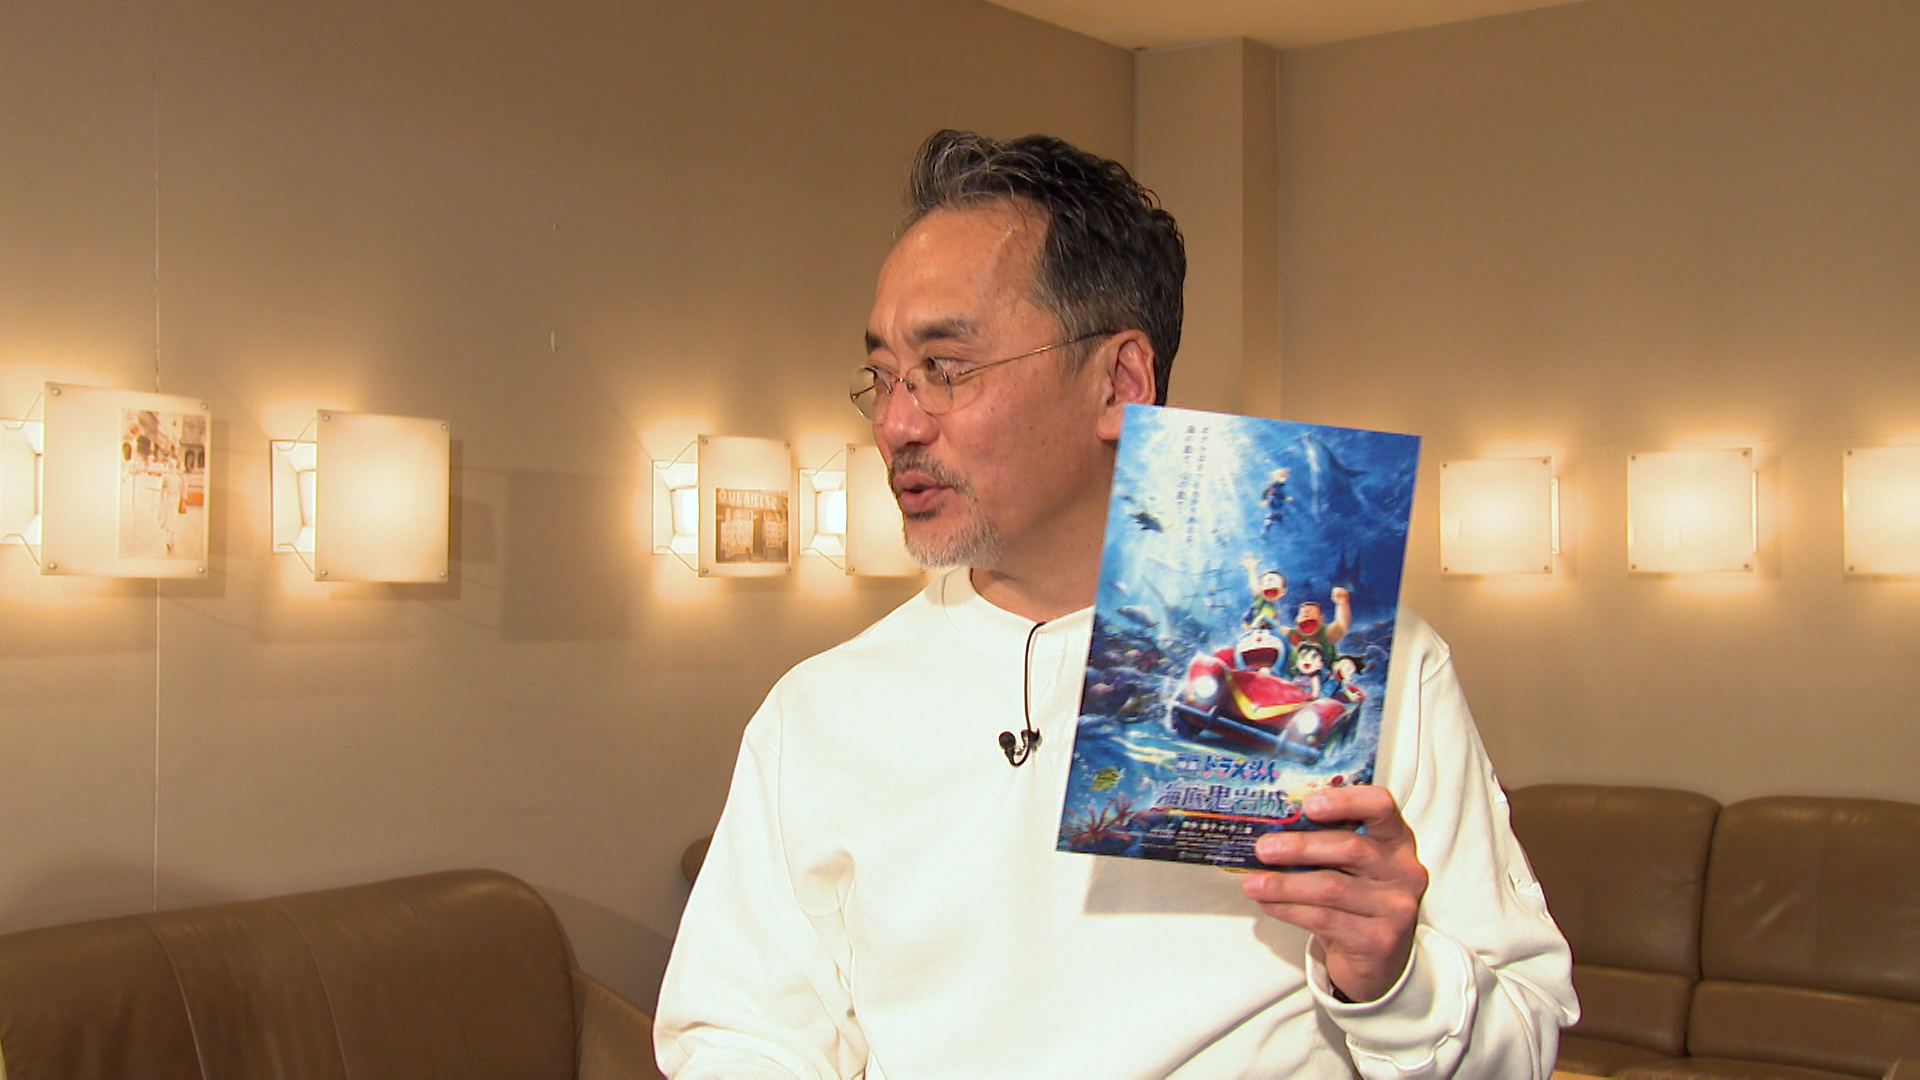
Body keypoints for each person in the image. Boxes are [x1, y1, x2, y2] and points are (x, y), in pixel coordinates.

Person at [654, 130, 1576, 1079]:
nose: (896, 423)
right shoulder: (819, 713)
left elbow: (1525, 1038)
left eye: (946, 369)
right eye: (883, 375)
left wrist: (1394, 977)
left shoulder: (1370, 670)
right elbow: (739, 1037)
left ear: (1120, 381)